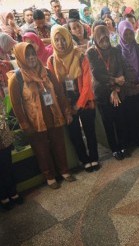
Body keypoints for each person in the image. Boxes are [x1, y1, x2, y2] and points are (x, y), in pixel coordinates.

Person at [9, 42, 76, 189]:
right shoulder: (17, 79)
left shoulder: (46, 72)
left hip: (53, 115)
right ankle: (50, 176)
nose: (32, 58)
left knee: (58, 144)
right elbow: (17, 105)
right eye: (27, 55)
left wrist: (66, 110)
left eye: (33, 54)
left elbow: (59, 92)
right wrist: (25, 125)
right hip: (35, 121)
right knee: (41, 150)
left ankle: (64, 171)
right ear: (20, 58)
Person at [48, 25, 99, 172]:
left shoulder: (81, 56)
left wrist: (79, 104)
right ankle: (84, 160)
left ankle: (94, 158)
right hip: (66, 102)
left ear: (69, 39)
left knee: (90, 131)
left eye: (63, 39)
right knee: (74, 133)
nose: (60, 43)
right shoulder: (52, 61)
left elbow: (87, 85)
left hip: (84, 99)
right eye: (56, 40)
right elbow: (55, 87)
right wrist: (66, 107)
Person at [87, 26, 129, 160]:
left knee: (120, 120)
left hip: (118, 90)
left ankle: (123, 145)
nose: (104, 42)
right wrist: (113, 83)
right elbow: (97, 73)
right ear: (96, 39)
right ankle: (115, 148)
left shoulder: (115, 50)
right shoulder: (91, 53)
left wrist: (116, 87)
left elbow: (121, 67)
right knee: (108, 122)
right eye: (101, 39)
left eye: (106, 38)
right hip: (103, 93)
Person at [117, 20, 139, 147]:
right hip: (128, 90)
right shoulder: (117, 51)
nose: (128, 37)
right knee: (131, 116)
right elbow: (117, 71)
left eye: (130, 33)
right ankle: (135, 140)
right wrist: (130, 84)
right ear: (120, 34)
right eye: (125, 34)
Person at [0, 99, 23, 210]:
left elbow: (2, 113)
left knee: (7, 167)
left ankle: (13, 193)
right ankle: (3, 197)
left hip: (4, 138)